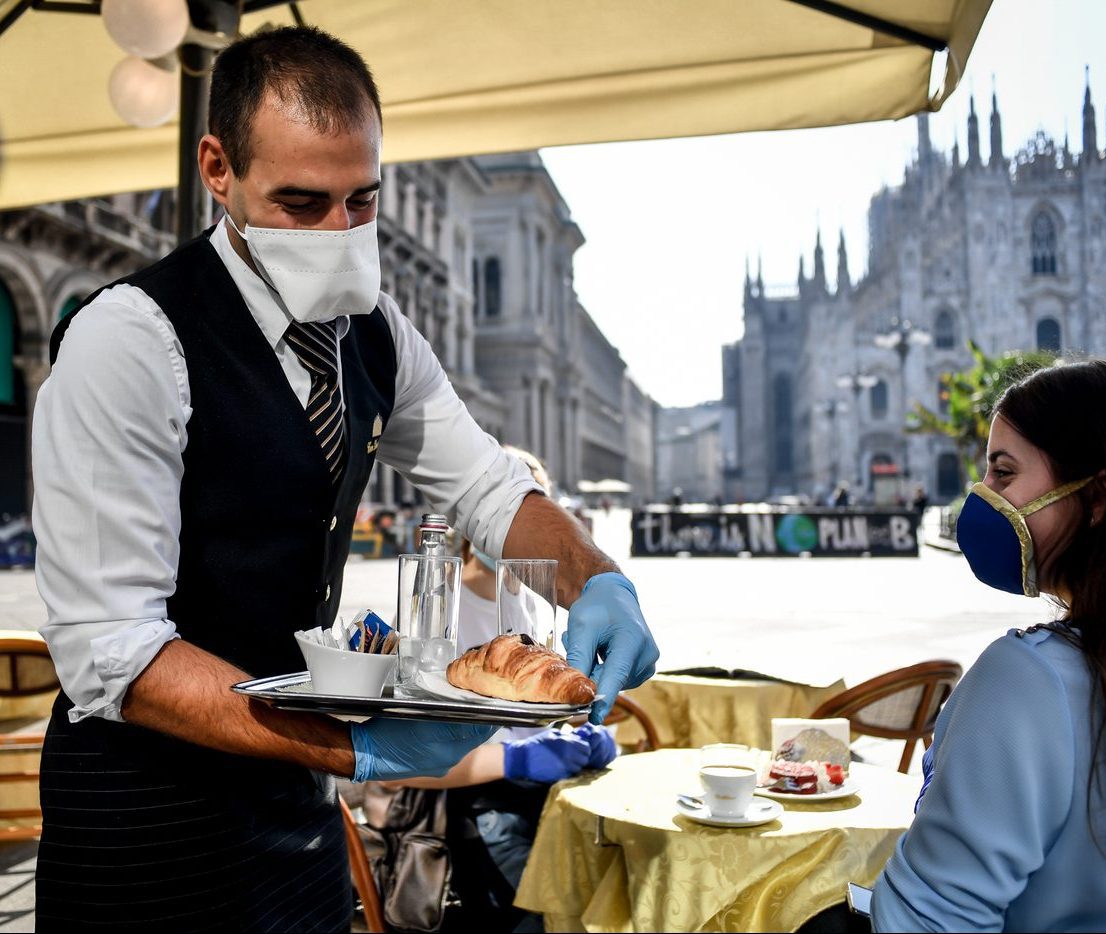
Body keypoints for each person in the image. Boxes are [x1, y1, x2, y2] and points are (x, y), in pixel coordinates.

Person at [30, 27, 658, 932]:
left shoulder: (378, 331)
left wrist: (598, 579)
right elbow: (111, 650)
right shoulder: (128, 340)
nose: (338, 234)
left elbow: (484, 486)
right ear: (217, 167)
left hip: (297, 822)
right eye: (301, 202)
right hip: (147, 834)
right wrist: (353, 749)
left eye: (361, 201)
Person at [871, 360, 1106, 931]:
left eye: (1004, 473)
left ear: (1099, 496)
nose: (983, 496)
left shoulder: (1029, 680)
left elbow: (929, 919)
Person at [364, 446, 616, 932]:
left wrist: (579, 729)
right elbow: (398, 766)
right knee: (555, 911)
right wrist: (516, 759)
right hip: (459, 812)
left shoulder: (528, 607)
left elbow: (534, 705)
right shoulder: (435, 613)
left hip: (532, 796)